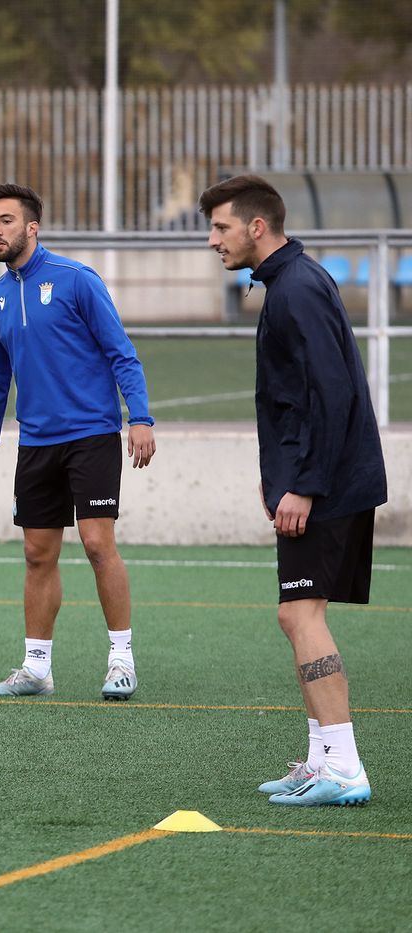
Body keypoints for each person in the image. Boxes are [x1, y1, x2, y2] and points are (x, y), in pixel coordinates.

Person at [200, 174, 386, 806]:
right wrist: (276, 473)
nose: (212, 240)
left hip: (326, 485)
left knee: (299, 613)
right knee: (299, 614)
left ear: (257, 227)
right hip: (320, 478)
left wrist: (301, 485)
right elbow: (295, 397)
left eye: (221, 227)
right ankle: (321, 758)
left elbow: (330, 395)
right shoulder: (292, 281)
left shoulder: (297, 289)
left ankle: (343, 767)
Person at [0, 183, 156, 701]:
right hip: (36, 444)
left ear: (32, 227)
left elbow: (121, 353)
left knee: (96, 544)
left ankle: (121, 661)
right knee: (36, 554)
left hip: (91, 435)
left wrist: (141, 417)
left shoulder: (75, 280)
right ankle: (37, 669)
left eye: (5, 220)